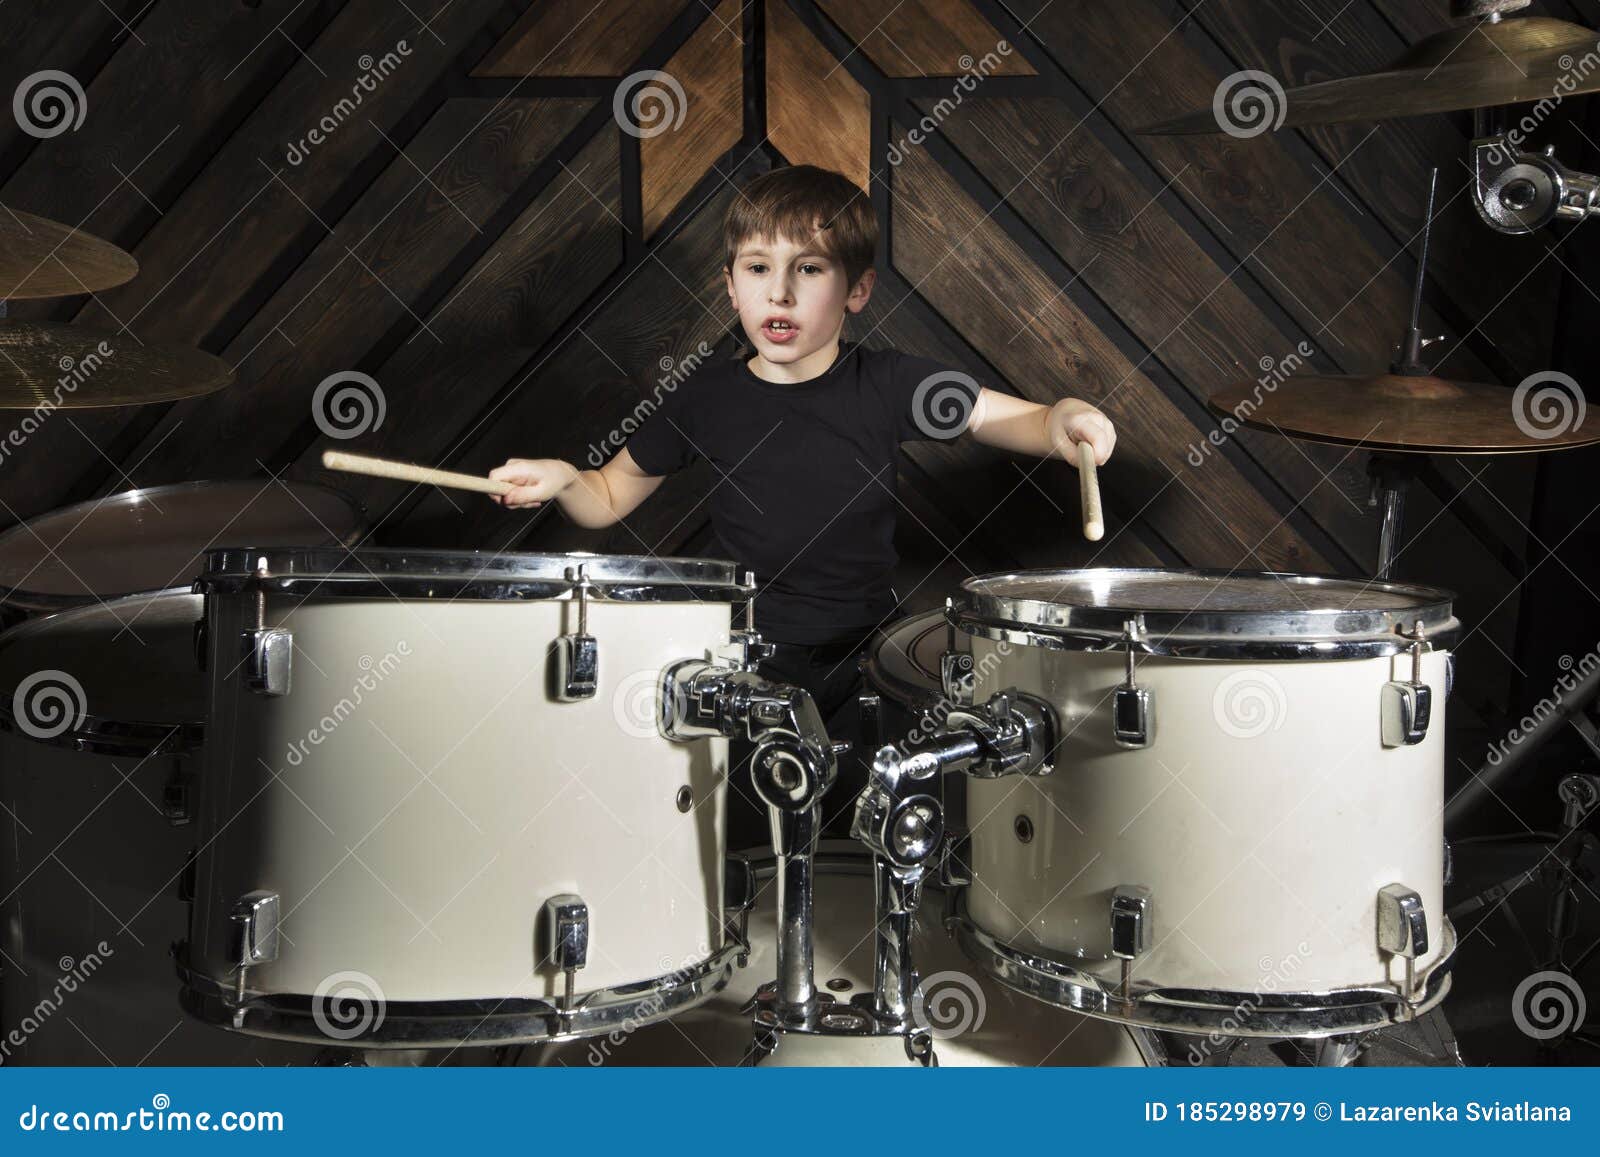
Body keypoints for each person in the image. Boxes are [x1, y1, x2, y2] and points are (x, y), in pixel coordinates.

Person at [487, 164, 1115, 849]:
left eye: (809, 269)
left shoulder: (888, 383)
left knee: (881, 845)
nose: (778, 291)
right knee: (756, 849)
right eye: (757, 267)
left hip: (872, 661)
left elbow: (1011, 417)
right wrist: (561, 478)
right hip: (752, 666)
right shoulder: (705, 398)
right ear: (731, 284)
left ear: (858, 290)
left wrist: (1063, 418)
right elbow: (604, 497)